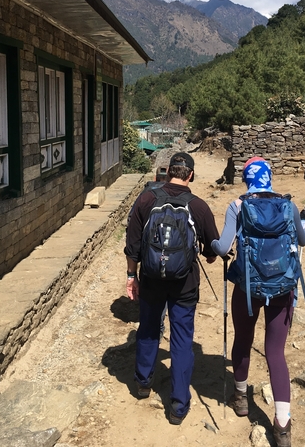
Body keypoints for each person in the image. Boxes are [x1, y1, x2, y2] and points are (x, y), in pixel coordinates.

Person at [211, 156, 305, 447]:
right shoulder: (288, 205)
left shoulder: (238, 206)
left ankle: (241, 397)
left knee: (243, 339)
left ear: (247, 179)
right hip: (282, 288)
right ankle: (282, 425)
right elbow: (302, 241)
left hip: (247, 287)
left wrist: (216, 246)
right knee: (275, 352)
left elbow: (224, 246)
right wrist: (303, 222)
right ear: (269, 177)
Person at [124, 152, 219, 425]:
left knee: (149, 328)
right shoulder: (199, 207)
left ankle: (143, 383)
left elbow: (132, 247)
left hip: (152, 280)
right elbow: (211, 249)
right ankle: (178, 405)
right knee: (181, 339)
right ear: (190, 175)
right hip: (185, 285)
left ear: (167, 173)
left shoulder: (146, 200)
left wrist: (132, 277)